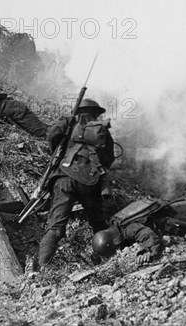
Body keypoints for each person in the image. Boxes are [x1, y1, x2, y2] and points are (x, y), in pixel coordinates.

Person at [37, 98, 115, 268]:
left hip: (64, 176)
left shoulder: (68, 122)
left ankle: (42, 268)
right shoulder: (101, 130)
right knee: (97, 222)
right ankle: (108, 261)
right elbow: (109, 158)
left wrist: (60, 153)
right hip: (90, 181)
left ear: (78, 110)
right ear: (96, 113)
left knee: (56, 227)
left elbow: (52, 135)